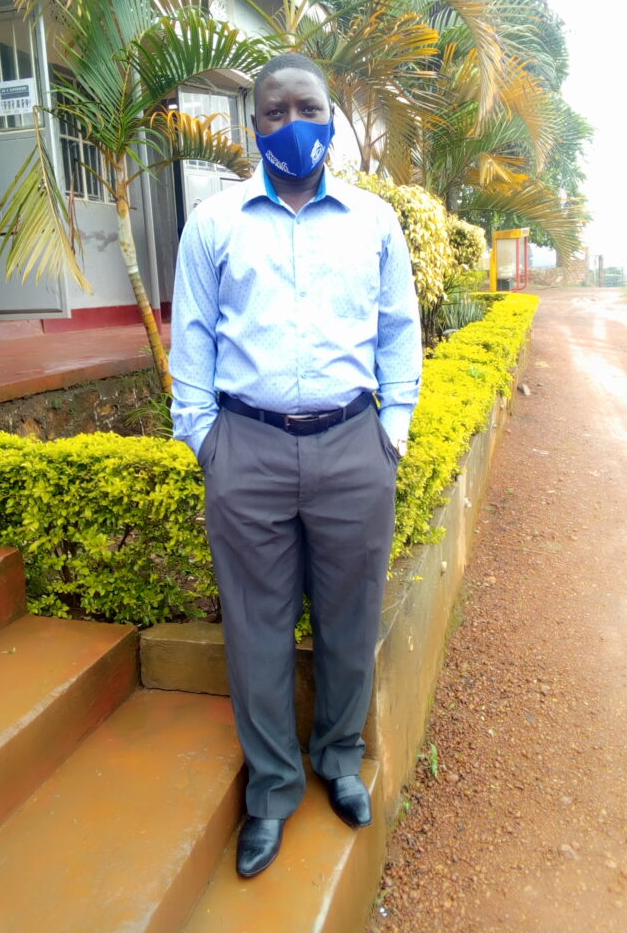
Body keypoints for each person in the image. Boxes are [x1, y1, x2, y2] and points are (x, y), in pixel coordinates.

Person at [169, 52, 422, 878]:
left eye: (307, 108)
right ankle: (273, 790)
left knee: (350, 619)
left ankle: (339, 759)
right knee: (256, 629)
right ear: (254, 126)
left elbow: (398, 329)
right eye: (274, 112)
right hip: (248, 447)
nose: (292, 125)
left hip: (354, 444)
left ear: (332, 117)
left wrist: (393, 430)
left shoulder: (374, 222)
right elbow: (192, 339)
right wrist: (206, 440)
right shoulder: (214, 224)